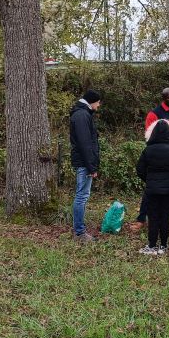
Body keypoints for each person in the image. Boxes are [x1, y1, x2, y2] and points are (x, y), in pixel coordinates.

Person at [130, 88, 169, 233]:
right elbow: (149, 134)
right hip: (158, 157)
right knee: (150, 190)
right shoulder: (155, 114)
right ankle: (141, 219)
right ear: (163, 98)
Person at [137, 120, 169, 256]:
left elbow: (140, 170)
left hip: (152, 189)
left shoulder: (148, 150)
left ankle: (152, 245)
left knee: (153, 217)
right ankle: (163, 245)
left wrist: (149, 180)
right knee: (165, 217)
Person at [70, 89, 101, 242]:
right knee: (82, 196)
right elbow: (85, 143)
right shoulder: (82, 115)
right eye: (98, 103)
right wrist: (91, 167)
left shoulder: (82, 113)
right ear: (92, 101)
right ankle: (80, 233)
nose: (99, 106)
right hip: (84, 163)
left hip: (84, 162)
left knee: (82, 195)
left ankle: (79, 230)